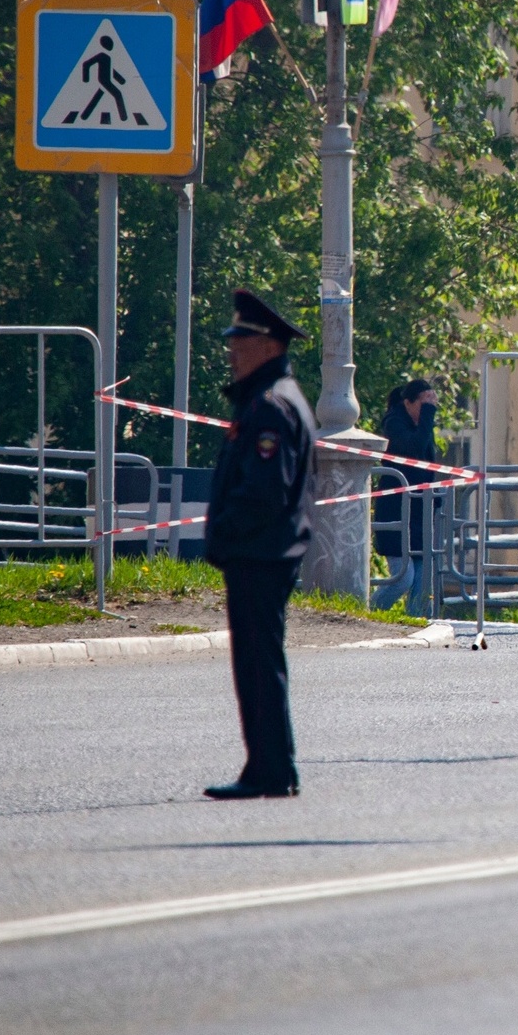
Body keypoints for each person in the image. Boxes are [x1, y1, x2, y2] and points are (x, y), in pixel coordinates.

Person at [202, 290, 317, 799]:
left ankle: (272, 770)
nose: (232, 349)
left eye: (242, 339)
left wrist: (225, 528)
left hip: (261, 553)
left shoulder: (271, 407)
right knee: (255, 664)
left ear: (268, 345)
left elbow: (265, 491)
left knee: (259, 665)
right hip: (261, 552)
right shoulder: (269, 399)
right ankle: (267, 766)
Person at [373, 379, 438, 616]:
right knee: (403, 578)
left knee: (422, 583)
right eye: (426, 401)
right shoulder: (394, 424)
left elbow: (428, 464)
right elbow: (415, 449)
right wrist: (428, 416)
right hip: (396, 512)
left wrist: (436, 500)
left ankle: (416, 622)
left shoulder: (423, 426)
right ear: (408, 403)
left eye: (434, 401)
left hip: (420, 513)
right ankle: (369, 613)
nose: (431, 407)